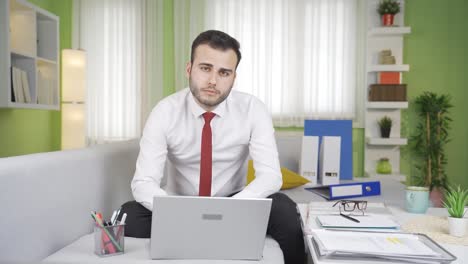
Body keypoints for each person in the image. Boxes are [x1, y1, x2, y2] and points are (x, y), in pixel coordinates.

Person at [120, 30, 305, 264]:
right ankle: (201, 233)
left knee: (285, 211)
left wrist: (230, 212)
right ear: (189, 69)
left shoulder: (252, 109)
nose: (213, 81)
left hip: (235, 201)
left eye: (224, 72)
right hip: (180, 204)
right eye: (205, 68)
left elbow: (270, 176)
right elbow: (143, 181)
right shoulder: (164, 111)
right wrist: (179, 214)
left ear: (234, 77)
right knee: (128, 215)